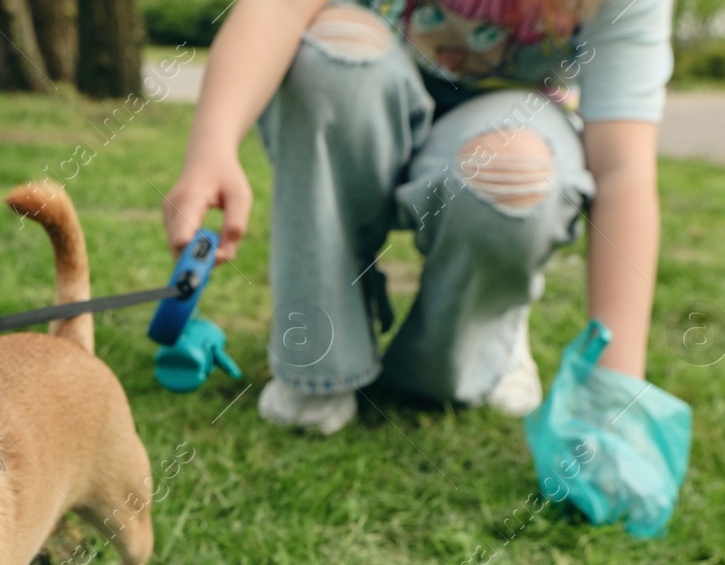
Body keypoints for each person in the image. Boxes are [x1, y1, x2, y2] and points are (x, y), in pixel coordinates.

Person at [163, 0, 674, 436]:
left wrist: (615, 394)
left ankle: (471, 348)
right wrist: (211, 147)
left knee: (512, 171)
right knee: (333, 48)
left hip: (514, 118)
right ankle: (321, 357)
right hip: (369, 93)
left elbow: (623, 167)